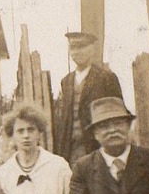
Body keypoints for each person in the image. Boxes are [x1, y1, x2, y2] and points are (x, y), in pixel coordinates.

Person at [51, 31, 125, 165]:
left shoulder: (106, 78)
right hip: (70, 150)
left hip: (97, 147)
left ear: (92, 49)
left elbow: (118, 115)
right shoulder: (66, 81)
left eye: (81, 47)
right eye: (73, 48)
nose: (76, 52)